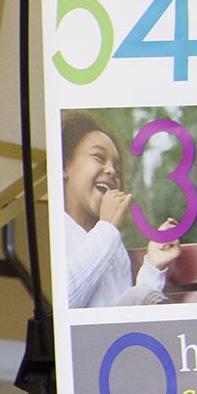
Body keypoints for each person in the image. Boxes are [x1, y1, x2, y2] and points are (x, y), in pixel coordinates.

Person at [61, 112, 175, 309]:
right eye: (99, 157)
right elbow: (64, 301)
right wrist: (108, 228)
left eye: (117, 167)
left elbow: (122, 317)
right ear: (64, 165)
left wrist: (153, 267)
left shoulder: (115, 246)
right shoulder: (58, 230)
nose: (112, 171)